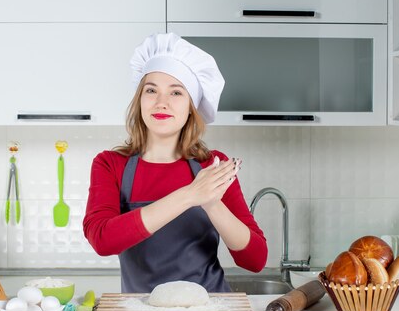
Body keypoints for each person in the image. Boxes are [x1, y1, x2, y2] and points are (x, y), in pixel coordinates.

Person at [83, 33, 268, 293]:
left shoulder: (212, 166)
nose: (162, 102)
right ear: (139, 101)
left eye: (176, 92)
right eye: (151, 90)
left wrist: (213, 205)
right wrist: (190, 195)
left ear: (191, 108)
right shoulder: (110, 164)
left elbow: (255, 260)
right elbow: (102, 239)